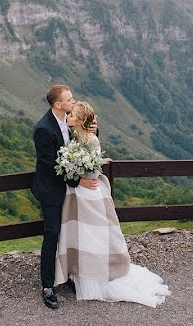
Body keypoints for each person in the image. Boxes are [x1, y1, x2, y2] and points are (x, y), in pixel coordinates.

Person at [55, 101, 170, 307]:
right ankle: (79, 273)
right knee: (80, 234)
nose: (68, 117)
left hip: (89, 192)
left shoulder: (91, 141)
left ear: (80, 120)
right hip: (77, 192)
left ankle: (97, 275)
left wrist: (78, 172)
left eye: (72, 115)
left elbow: (92, 169)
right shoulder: (75, 136)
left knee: (95, 234)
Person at [31, 84, 98, 309]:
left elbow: (86, 133)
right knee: (52, 234)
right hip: (51, 189)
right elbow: (51, 166)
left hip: (70, 187)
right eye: (69, 100)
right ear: (57, 104)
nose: (73, 102)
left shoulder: (70, 117)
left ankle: (69, 275)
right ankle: (47, 286)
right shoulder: (43, 129)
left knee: (71, 232)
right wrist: (80, 181)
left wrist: (94, 130)